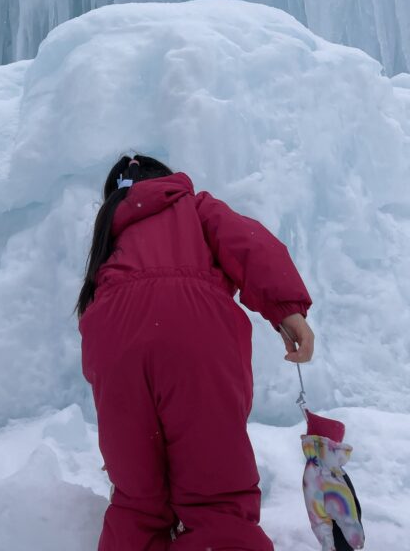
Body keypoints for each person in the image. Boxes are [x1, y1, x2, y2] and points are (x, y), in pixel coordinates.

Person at [78, 154, 314, 551]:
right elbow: (250, 245)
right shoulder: (194, 205)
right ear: (166, 180)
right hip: (193, 326)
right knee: (216, 491)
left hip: (112, 337)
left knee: (137, 498)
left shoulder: (109, 231)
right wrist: (286, 310)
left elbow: (101, 318)